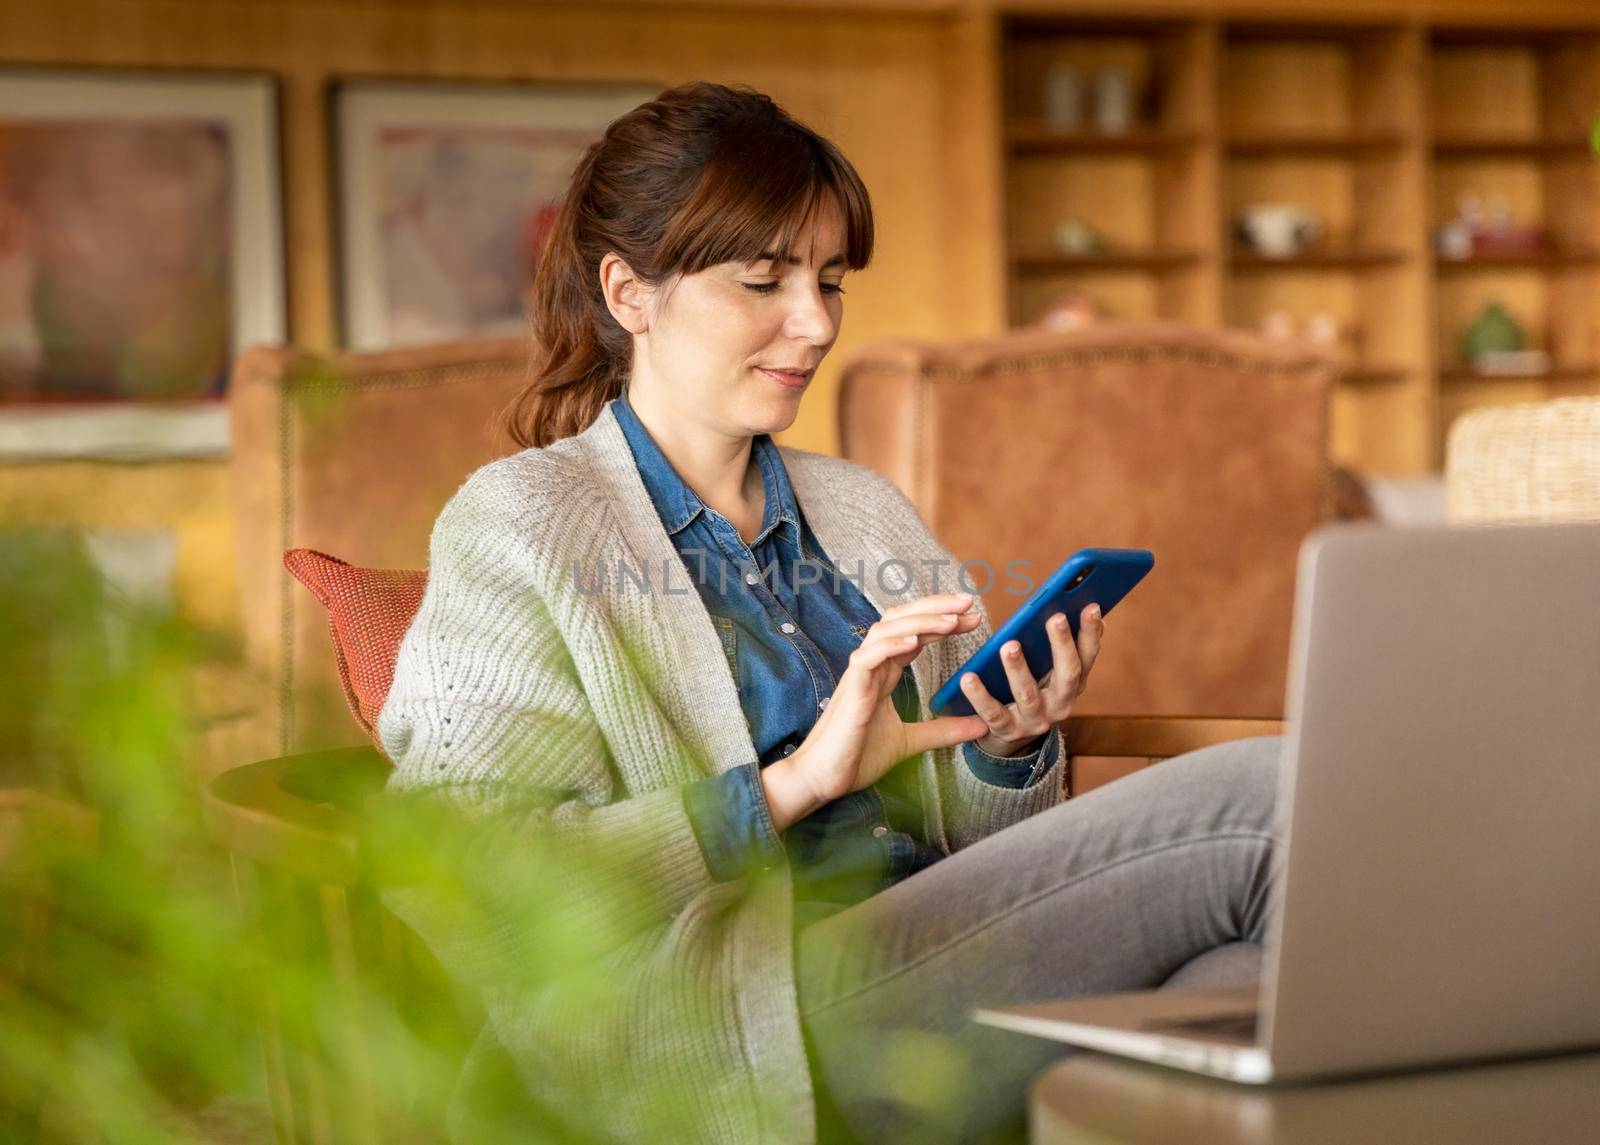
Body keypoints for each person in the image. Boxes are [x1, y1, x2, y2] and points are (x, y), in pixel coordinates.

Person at [378, 81, 1280, 1145]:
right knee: (1266, 798)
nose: (813, 324)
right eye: (763, 281)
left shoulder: (861, 509)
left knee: (1249, 987)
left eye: (829, 282)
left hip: (923, 972)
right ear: (629, 292)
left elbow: (992, 851)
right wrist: (791, 785)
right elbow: (465, 877)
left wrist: (1007, 744)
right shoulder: (520, 521)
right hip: (725, 1013)